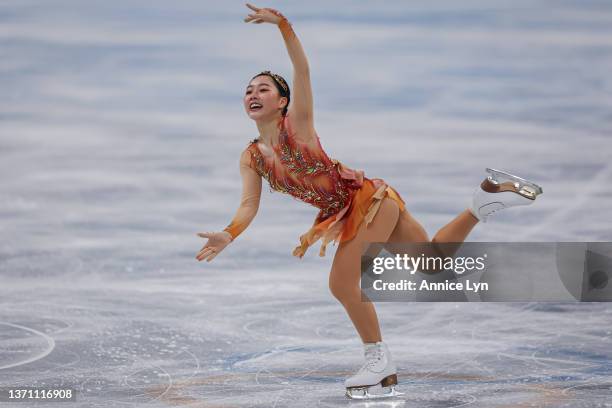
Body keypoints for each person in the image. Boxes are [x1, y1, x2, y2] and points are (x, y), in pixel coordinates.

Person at [196, 4, 543, 400]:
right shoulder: (252, 157)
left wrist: (283, 26)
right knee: (431, 263)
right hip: (363, 205)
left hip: (366, 201)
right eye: (248, 90)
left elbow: (302, 71)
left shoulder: (300, 125)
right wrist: (229, 233)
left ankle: (378, 361)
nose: (253, 94)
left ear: (282, 103)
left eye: (264, 89)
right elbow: (248, 205)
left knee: (342, 283)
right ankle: (483, 201)